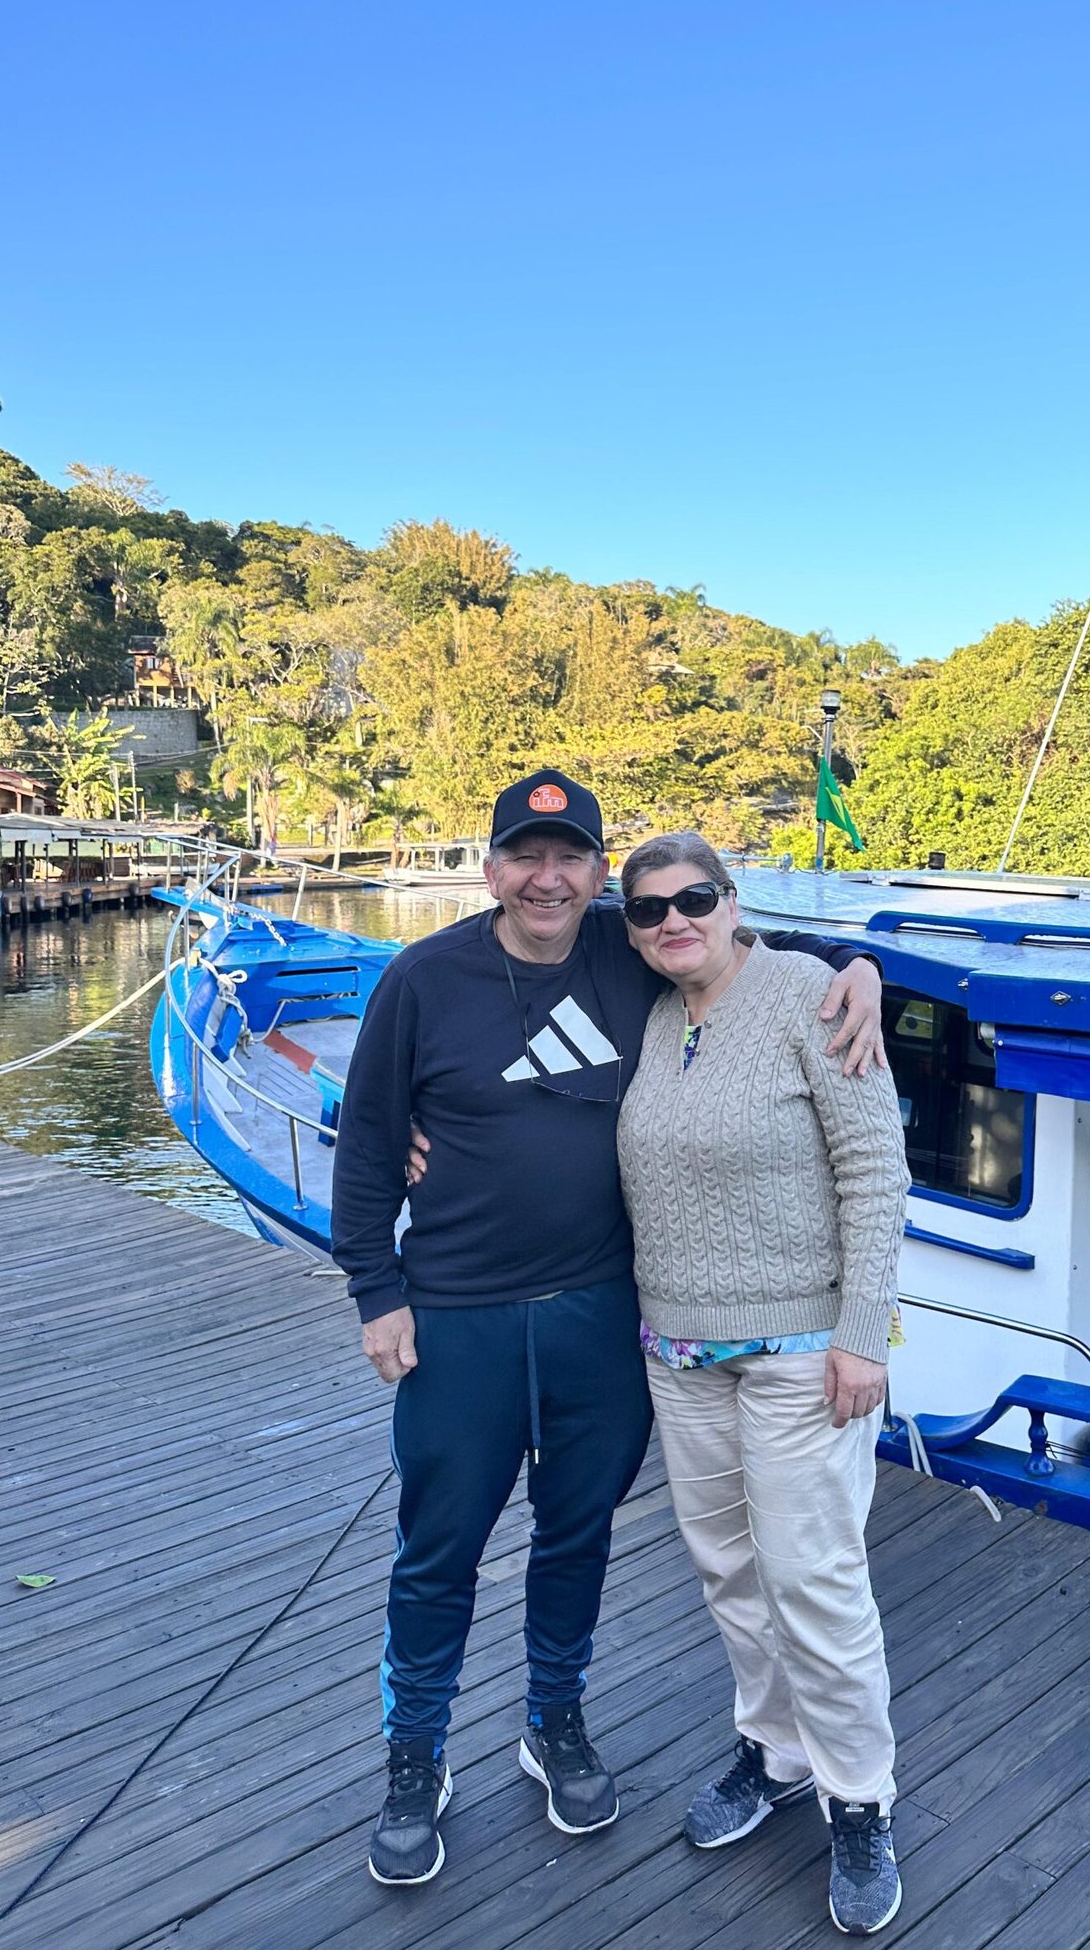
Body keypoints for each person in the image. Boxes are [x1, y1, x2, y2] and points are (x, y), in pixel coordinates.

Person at [329, 770, 885, 1890]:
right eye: (525, 856)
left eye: (571, 857)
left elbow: (737, 952)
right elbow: (370, 1134)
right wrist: (373, 1287)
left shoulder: (627, 957)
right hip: (460, 1317)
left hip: (601, 1315)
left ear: (594, 873)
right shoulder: (423, 979)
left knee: (577, 1536)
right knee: (439, 1548)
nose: (549, 877)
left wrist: (867, 967)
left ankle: (554, 1721)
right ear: (488, 867)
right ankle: (416, 1755)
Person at [615, 831, 908, 1938]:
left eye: (694, 898)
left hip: (803, 1349)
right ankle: (775, 1748)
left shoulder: (808, 996)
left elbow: (876, 1168)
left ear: (733, 903)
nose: (672, 919)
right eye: (647, 908)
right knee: (727, 1566)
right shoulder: (648, 1006)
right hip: (679, 1347)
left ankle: (860, 1799)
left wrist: (863, 1332)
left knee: (813, 1576)